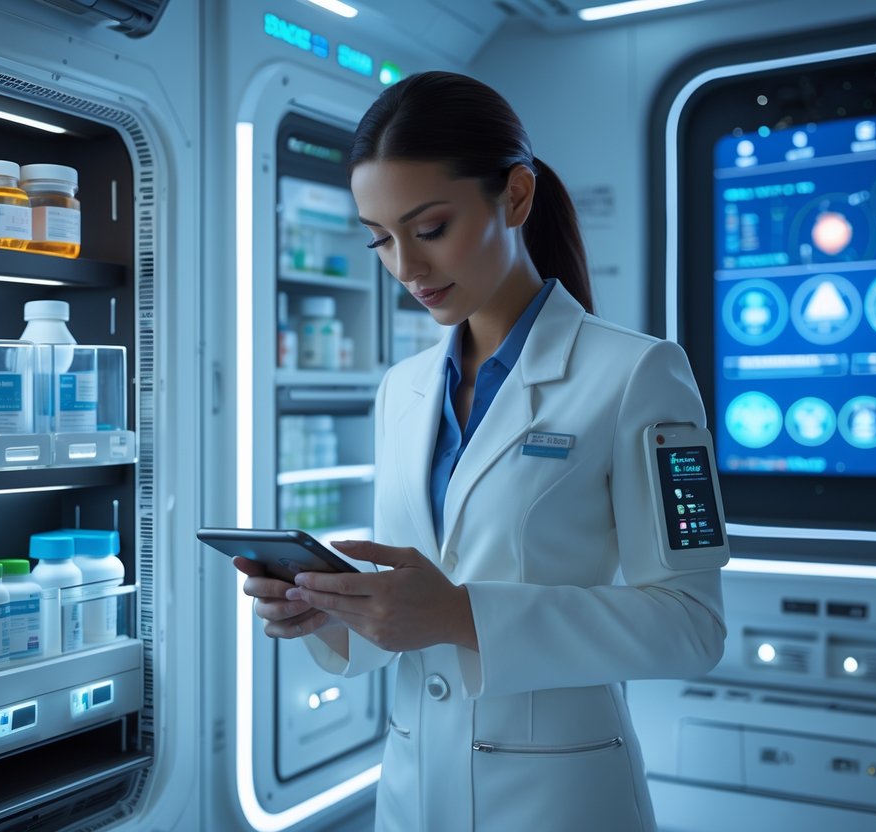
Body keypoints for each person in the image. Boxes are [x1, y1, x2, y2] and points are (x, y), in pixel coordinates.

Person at [234, 71, 726, 832]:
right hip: (409, 794)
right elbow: (407, 607)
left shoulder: (635, 374)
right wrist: (328, 610)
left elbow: (691, 626)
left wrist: (464, 616)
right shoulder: (400, 389)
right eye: (380, 239)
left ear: (516, 197)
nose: (404, 267)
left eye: (428, 229)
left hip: (556, 802)